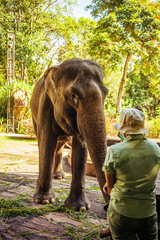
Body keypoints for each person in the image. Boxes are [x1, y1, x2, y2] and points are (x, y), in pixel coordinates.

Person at [101, 107, 160, 240]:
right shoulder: (155, 148)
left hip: (122, 214)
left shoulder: (115, 151)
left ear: (123, 130)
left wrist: (109, 186)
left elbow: (109, 187)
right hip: (148, 212)